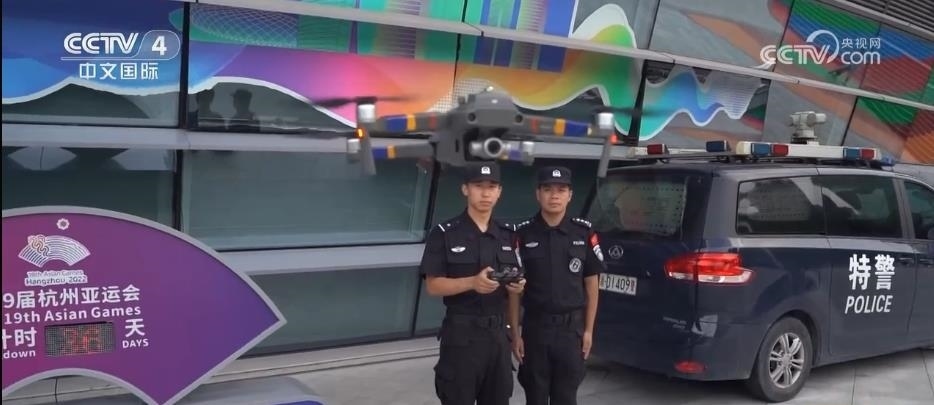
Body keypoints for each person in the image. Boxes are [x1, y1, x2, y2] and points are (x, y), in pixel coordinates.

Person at [419, 161, 527, 405]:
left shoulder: (508, 235)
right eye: (479, 186)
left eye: (492, 187)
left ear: (499, 192)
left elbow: (513, 291)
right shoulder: (444, 233)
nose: (485, 193)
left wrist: (517, 292)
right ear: (465, 189)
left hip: (498, 338)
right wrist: (471, 282)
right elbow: (433, 286)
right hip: (461, 338)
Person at [509, 166, 605, 405]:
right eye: (548, 189)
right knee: (535, 396)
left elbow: (592, 285)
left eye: (561, 190)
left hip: (570, 332)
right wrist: (515, 333)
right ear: (538, 194)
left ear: (570, 195)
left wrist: (589, 331)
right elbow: (514, 291)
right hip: (535, 330)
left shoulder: (583, 232)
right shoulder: (522, 234)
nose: (554, 196)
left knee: (566, 397)